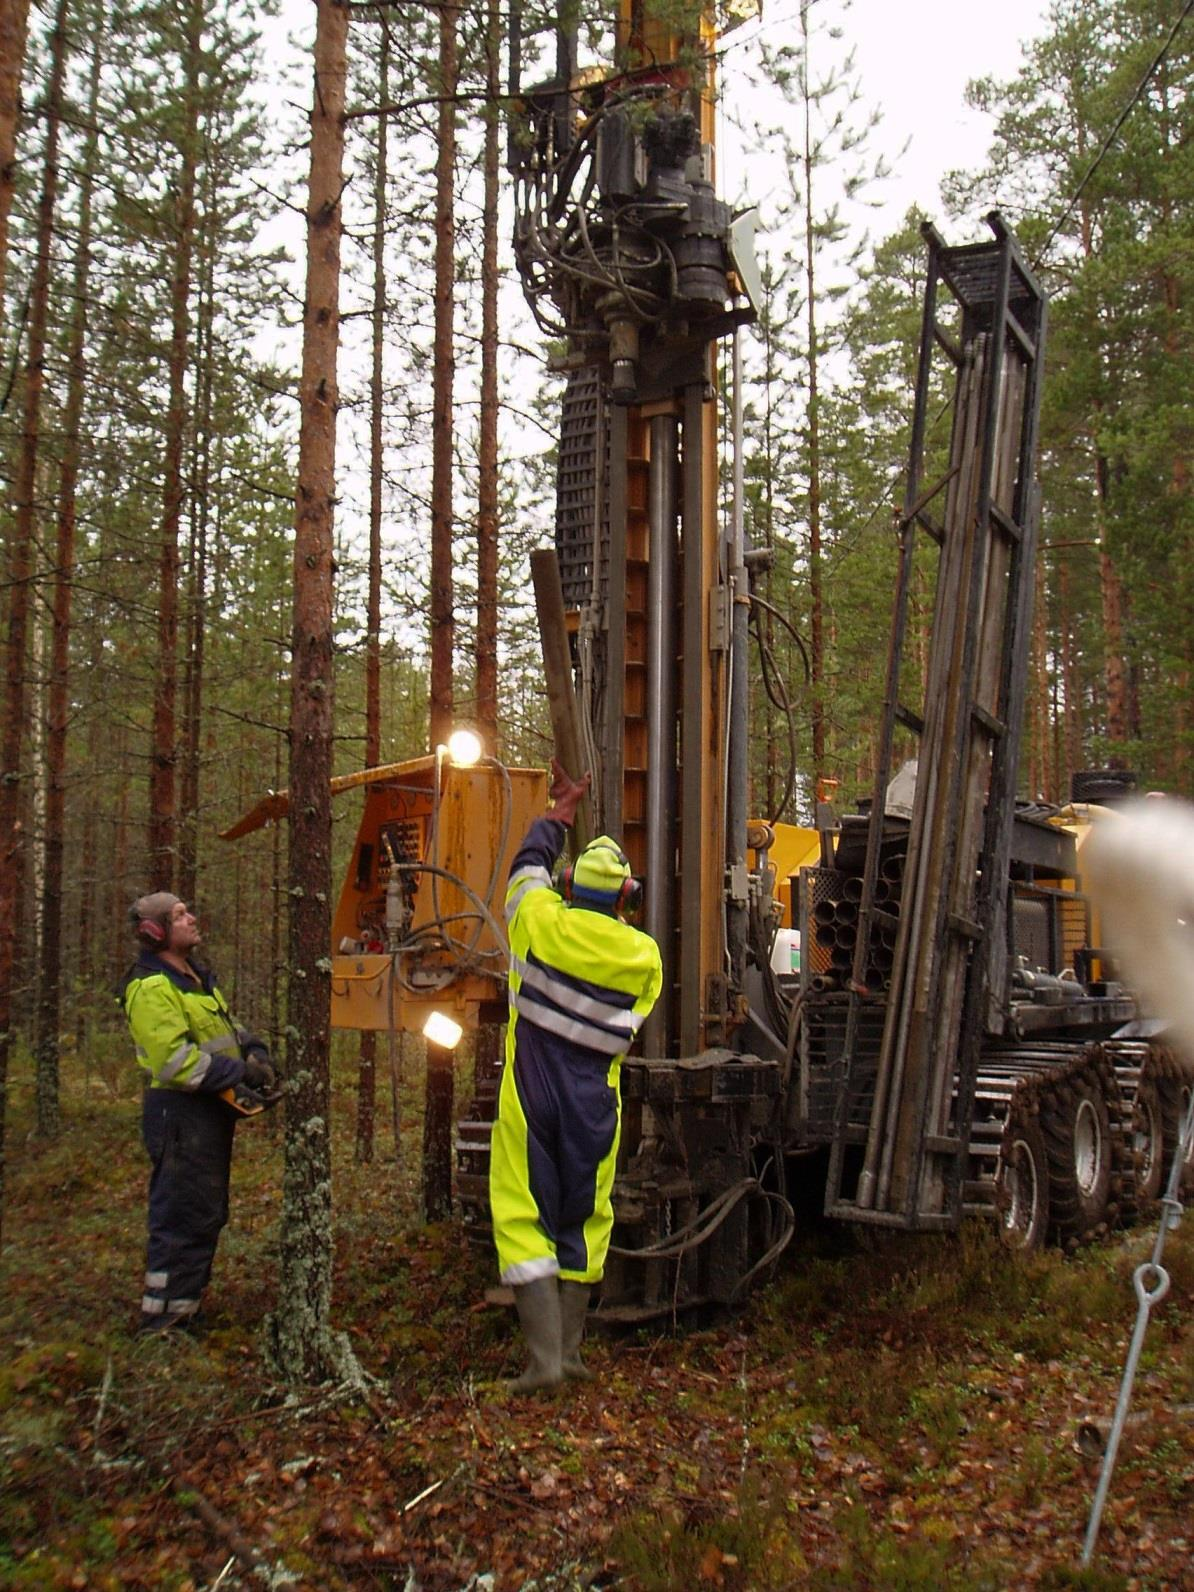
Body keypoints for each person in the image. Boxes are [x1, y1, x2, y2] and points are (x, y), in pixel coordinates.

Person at [489, 760, 663, 1391]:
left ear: (568, 885)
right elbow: (635, 1019)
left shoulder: (537, 922)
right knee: (585, 1216)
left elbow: (524, 875)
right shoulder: (643, 957)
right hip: (595, 1102)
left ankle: (543, 1363)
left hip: (530, 1093)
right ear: (627, 899)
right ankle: (572, 1353)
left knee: (520, 1211)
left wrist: (557, 818)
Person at [120, 891, 276, 1333]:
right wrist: (236, 1071)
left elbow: (224, 1029)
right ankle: (163, 1321)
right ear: (156, 931)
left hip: (206, 1113)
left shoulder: (194, 978)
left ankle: (186, 1308)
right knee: (180, 1215)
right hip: (180, 1114)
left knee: (206, 1211)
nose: (192, 919)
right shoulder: (151, 986)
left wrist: (255, 1050)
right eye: (179, 915)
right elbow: (173, 1061)